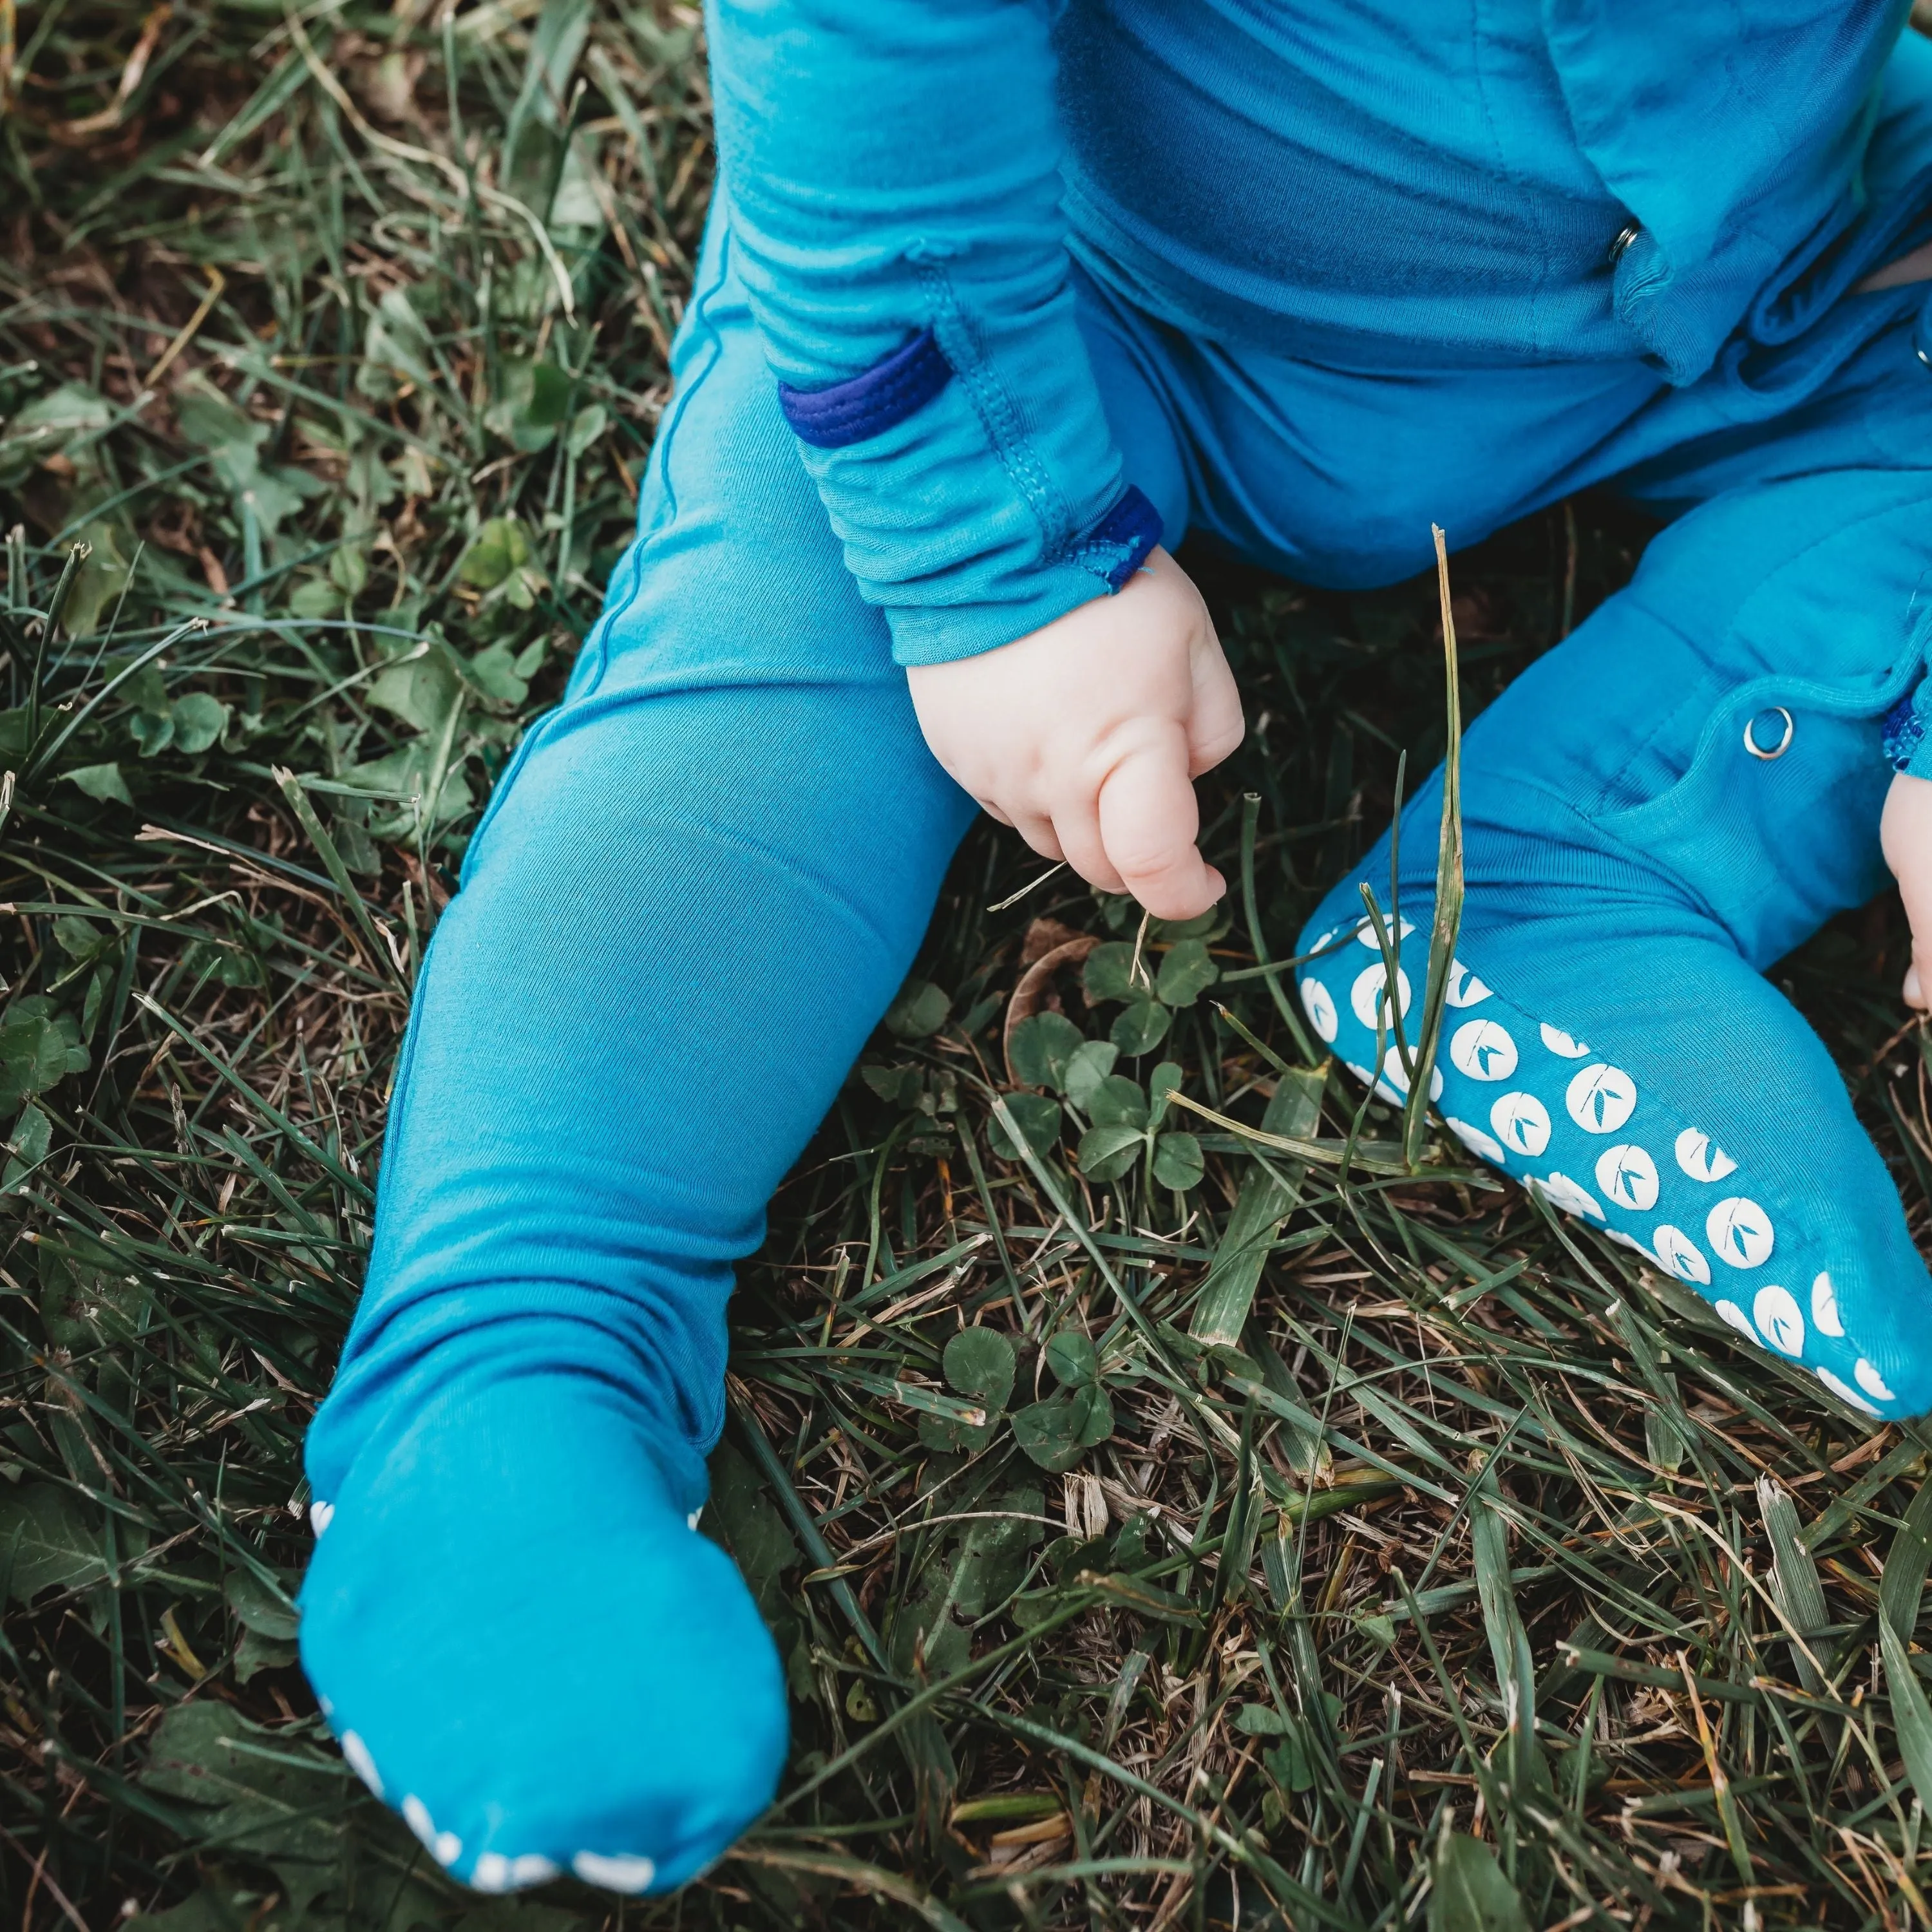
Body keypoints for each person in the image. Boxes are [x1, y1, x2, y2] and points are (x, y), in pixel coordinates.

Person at [296, 0, 1932, 1899]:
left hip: (1770, 279)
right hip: (1054, 290)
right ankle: (517, 1350)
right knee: (770, 702)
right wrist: (997, 560)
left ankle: (1557, 883)